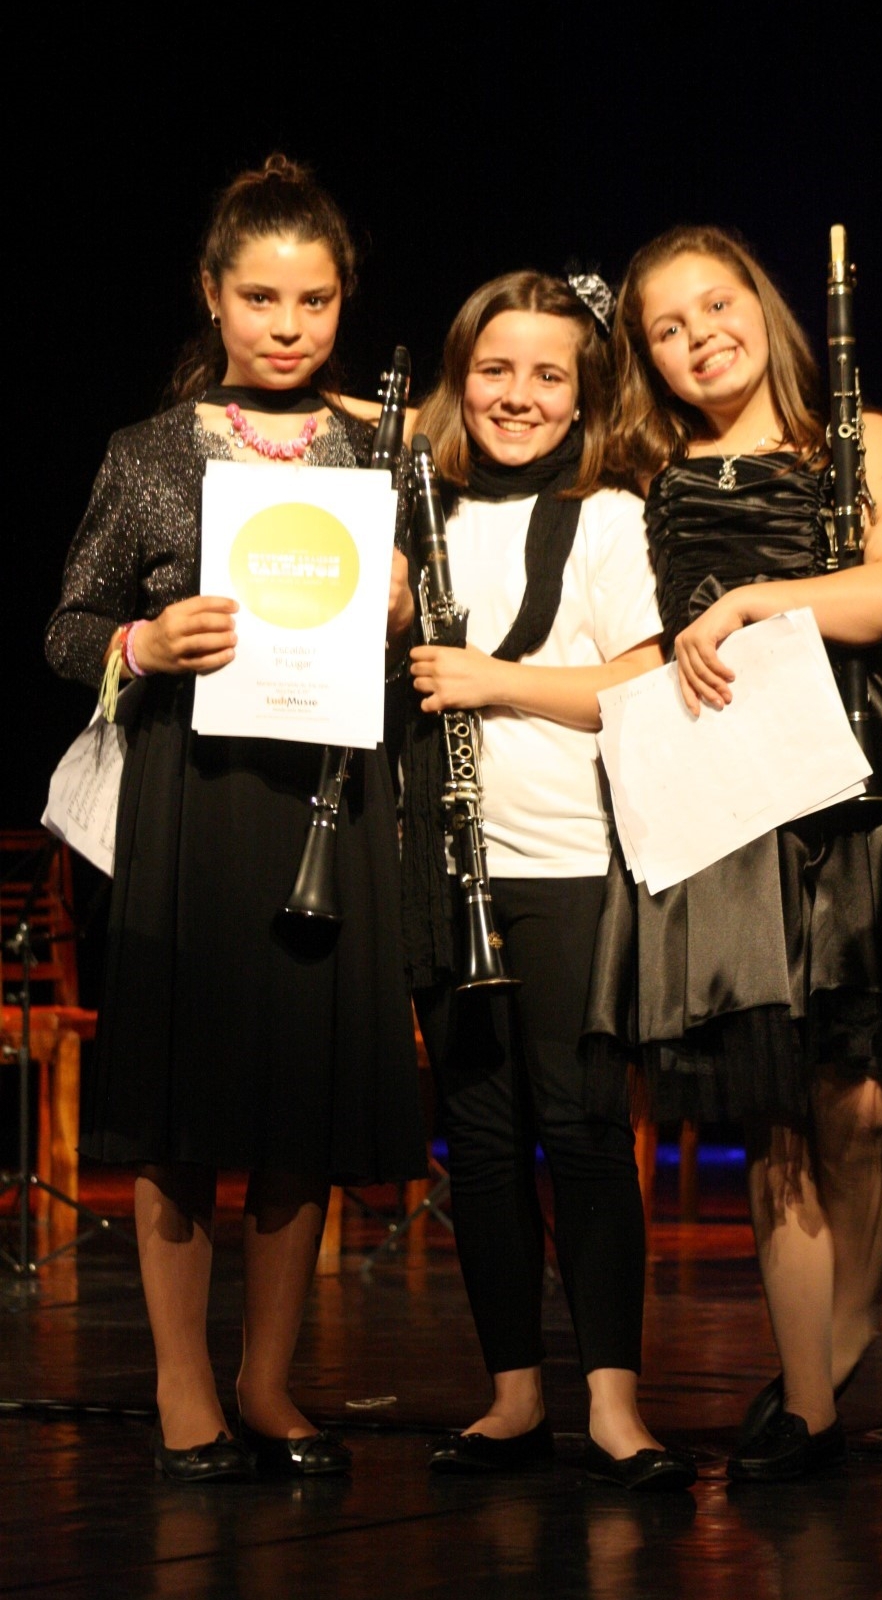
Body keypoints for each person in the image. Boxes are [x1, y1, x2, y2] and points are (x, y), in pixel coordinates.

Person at [585, 226, 882, 1481]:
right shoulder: (650, 474)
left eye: (716, 305)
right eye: (667, 327)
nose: (700, 337)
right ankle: (812, 1402)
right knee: (773, 1104)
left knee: (859, 1100)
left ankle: (847, 1329)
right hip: (727, 791)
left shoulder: (858, 440)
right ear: (647, 356)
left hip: (854, 783)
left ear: (764, 306)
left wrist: (752, 600)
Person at [45, 155, 427, 1482]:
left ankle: (268, 1382)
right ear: (212, 295)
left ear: (344, 302)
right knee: (180, 1104)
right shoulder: (149, 453)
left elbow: (427, 650)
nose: (287, 324)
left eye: (314, 300)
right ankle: (183, 1384)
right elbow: (68, 628)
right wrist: (143, 642)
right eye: (260, 297)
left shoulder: (381, 452)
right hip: (192, 808)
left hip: (330, 801)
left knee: (299, 1102)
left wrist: (406, 610)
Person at [400, 270, 695, 1491]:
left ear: (583, 397)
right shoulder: (416, 507)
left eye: (546, 375)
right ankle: (514, 1396)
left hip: (569, 859)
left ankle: (614, 1407)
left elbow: (644, 679)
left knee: (581, 1130)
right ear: (459, 380)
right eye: (495, 370)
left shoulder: (611, 516)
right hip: (440, 864)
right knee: (478, 1141)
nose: (517, 395)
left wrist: (494, 680)